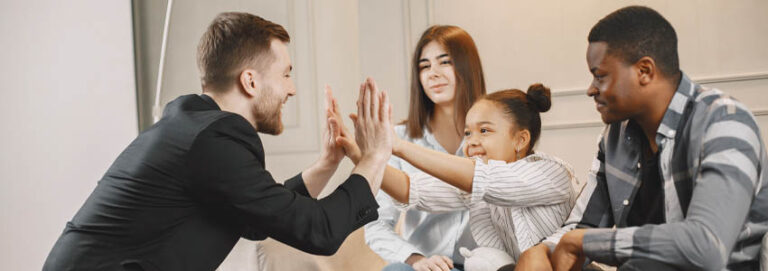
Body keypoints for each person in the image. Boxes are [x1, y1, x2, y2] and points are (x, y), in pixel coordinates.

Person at [42, 12, 393, 271]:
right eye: (285, 74)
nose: (292, 88)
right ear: (251, 82)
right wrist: (374, 157)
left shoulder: (193, 126)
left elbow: (256, 219)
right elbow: (321, 231)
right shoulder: (213, 140)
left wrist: (326, 164)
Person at [515, 6, 768, 271]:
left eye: (600, 76)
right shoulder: (615, 135)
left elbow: (707, 246)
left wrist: (588, 242)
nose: (591, 89)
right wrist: (543, 250)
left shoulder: (724, 121)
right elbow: (584, 226)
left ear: (644, 71)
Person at [329, 82, 578, 271]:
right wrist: (363, 155)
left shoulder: (550, 173)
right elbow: (410, 189)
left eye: (484, 130)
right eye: (468, 133)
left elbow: (483, 178)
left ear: (520, 139)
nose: (472, 141)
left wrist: (398, 145)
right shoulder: (475, 186)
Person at [363, 25, 486, 271]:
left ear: (467, 67)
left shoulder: (495, 135)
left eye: (444, 62)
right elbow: (376, 223)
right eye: (425, 66)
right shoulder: (398, 139)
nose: (433, 73)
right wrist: (415, 259)